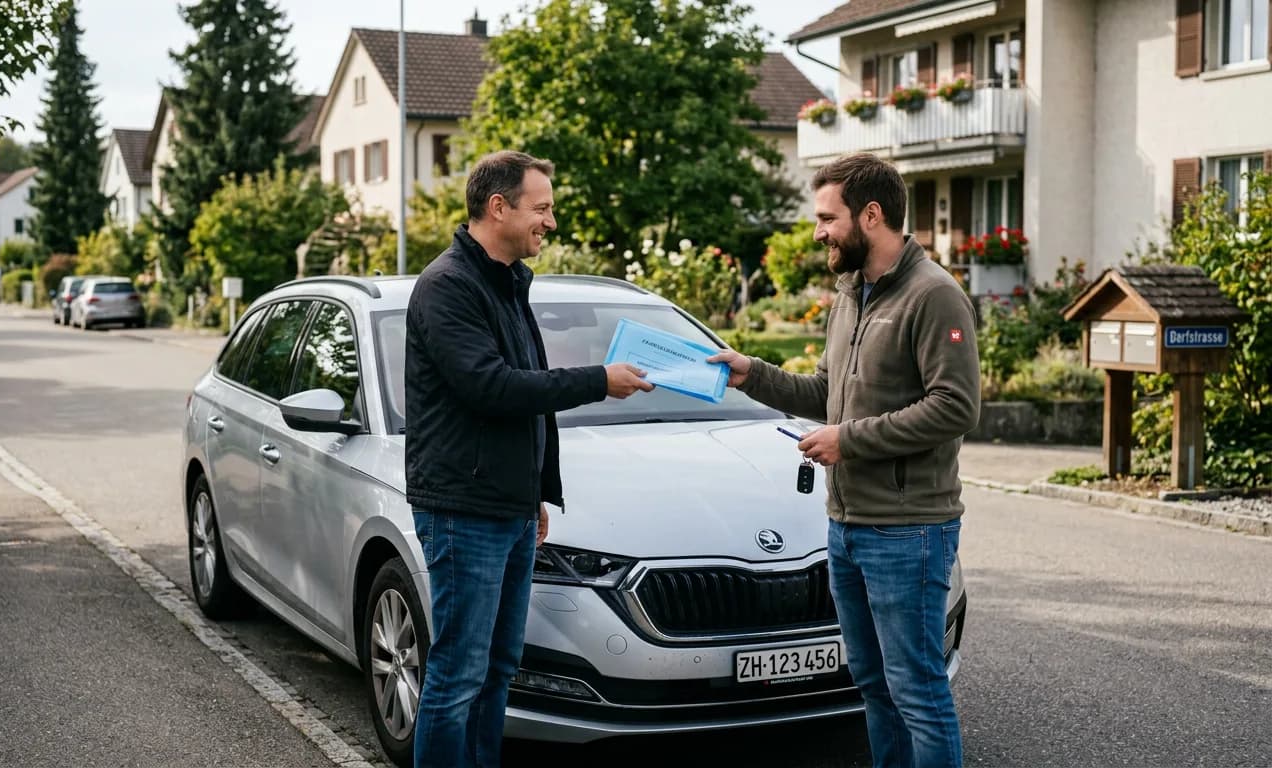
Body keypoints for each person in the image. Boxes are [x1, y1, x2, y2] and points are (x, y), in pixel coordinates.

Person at [709, 153, 980, 768]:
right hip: (847, 527)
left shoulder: (934, 295)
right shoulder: (850, 294)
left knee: (917, 689)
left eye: (828, 218)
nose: (818, 232)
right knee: (873, 685)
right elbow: (823, 395)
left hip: (909, 530)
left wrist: (848, 441)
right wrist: (750, 373)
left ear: (872, 214)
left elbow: (956, 407)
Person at [403, 150, 652, 768]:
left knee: (497, 670)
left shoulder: (507, 282)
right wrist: (598, 379)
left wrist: (535, 491)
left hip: (506, 508)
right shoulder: (448, 287)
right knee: (459, 672)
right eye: (541, 209)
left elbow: (525, 392)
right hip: (464, 510)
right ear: (498, 208)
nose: (551, 221)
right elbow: (493, 386)